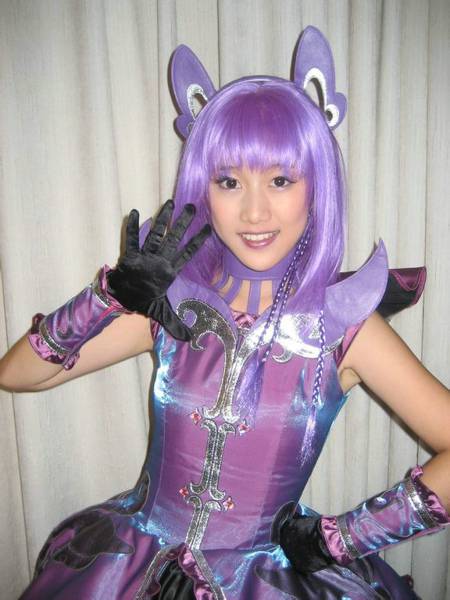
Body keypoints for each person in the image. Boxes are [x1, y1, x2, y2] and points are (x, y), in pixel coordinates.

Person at [0, 26, 449, 600]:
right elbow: (17, 373)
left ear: (316, 187)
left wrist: (344, 539)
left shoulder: (345, 327)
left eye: (281, 180)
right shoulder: (172, 306)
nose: (254, 211)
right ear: (203, 187)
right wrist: (109, 295)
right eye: (229, 181)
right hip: (133, 569)